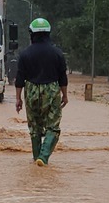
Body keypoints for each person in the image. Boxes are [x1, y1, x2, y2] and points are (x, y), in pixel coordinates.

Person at [13, 17, 68, 166]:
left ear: (32, 34)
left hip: (31, 90)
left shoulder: (25, 54)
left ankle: (36, 156)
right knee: (53, 126)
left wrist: (18, 99)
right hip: (51, 90)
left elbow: (19, 79)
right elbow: (63, 77)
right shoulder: (57, 53)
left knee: (34, 127)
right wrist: (65, 95)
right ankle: (43, 157)